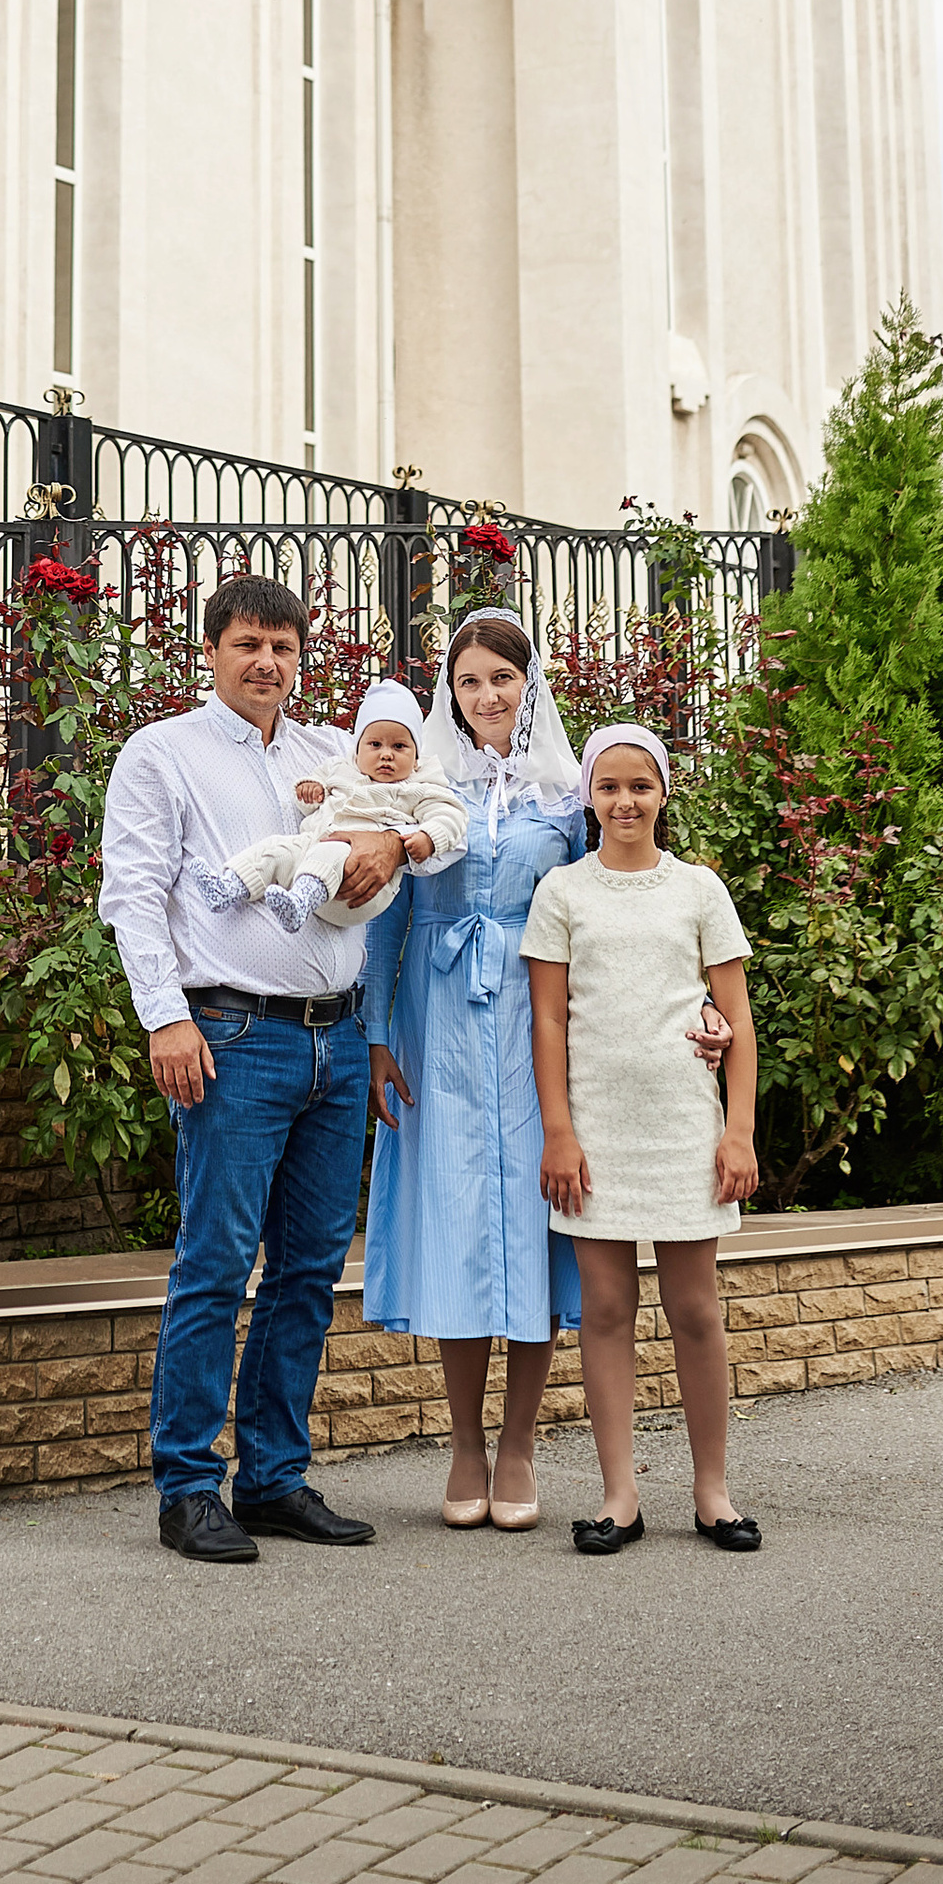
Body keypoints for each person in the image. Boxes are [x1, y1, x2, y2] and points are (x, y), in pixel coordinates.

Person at [362, 615, 714, 1529]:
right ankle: (465, 1447)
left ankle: (518, 1444)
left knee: (529, 1230)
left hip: (534, 1023)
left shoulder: (567, 796)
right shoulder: (416, 785)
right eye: (469, 681)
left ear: (529, 687)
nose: (487, 696)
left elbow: (613, 913)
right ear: (450, 692)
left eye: (502, 679)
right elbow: (386, 918)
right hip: (434, 1021)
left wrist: (691, 1009)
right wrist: (373, 1033)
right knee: (453, 1225)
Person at [99, 572, 401, 1566]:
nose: (266, 662)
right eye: (246, 645)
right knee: (217, 1266)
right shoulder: (164, 754)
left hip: (337, 1041)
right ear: (212, 651)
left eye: (282, 646)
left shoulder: (330, 753)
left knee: (309, 1270)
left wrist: (390, 842)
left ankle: (272, 1479)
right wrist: (164, 1019)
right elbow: (134, 896)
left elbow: (417, 816)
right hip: (231, 1040)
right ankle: (187, 1488)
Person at [522, 720, 762, 1555]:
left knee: (696, 1311)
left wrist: (739, 1132)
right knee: (608, 1311)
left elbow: (735, 1017)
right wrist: (560, 1131)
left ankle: (713, 1492)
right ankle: (619, 1494)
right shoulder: (562, 893)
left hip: (684, 1130)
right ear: (588, 795)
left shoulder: (698, 889)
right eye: (609, 786)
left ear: (664, 792)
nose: (625, 801)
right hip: (596, 1133)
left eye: (641, 785)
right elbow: (548, 1020)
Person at [189, 702, 465, 928]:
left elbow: (451, 816)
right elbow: (309, 798)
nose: (386, 755)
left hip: (362, 888)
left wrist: (428, 837)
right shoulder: (339, 768)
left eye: (399, 747)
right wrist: (310, 791)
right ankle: (229, 886)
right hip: (315, 853)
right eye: (375, 745)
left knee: (333, 849)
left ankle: (300, 901)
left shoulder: (418, 786)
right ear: (357, 750)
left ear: (416, 757)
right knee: (278, 849)